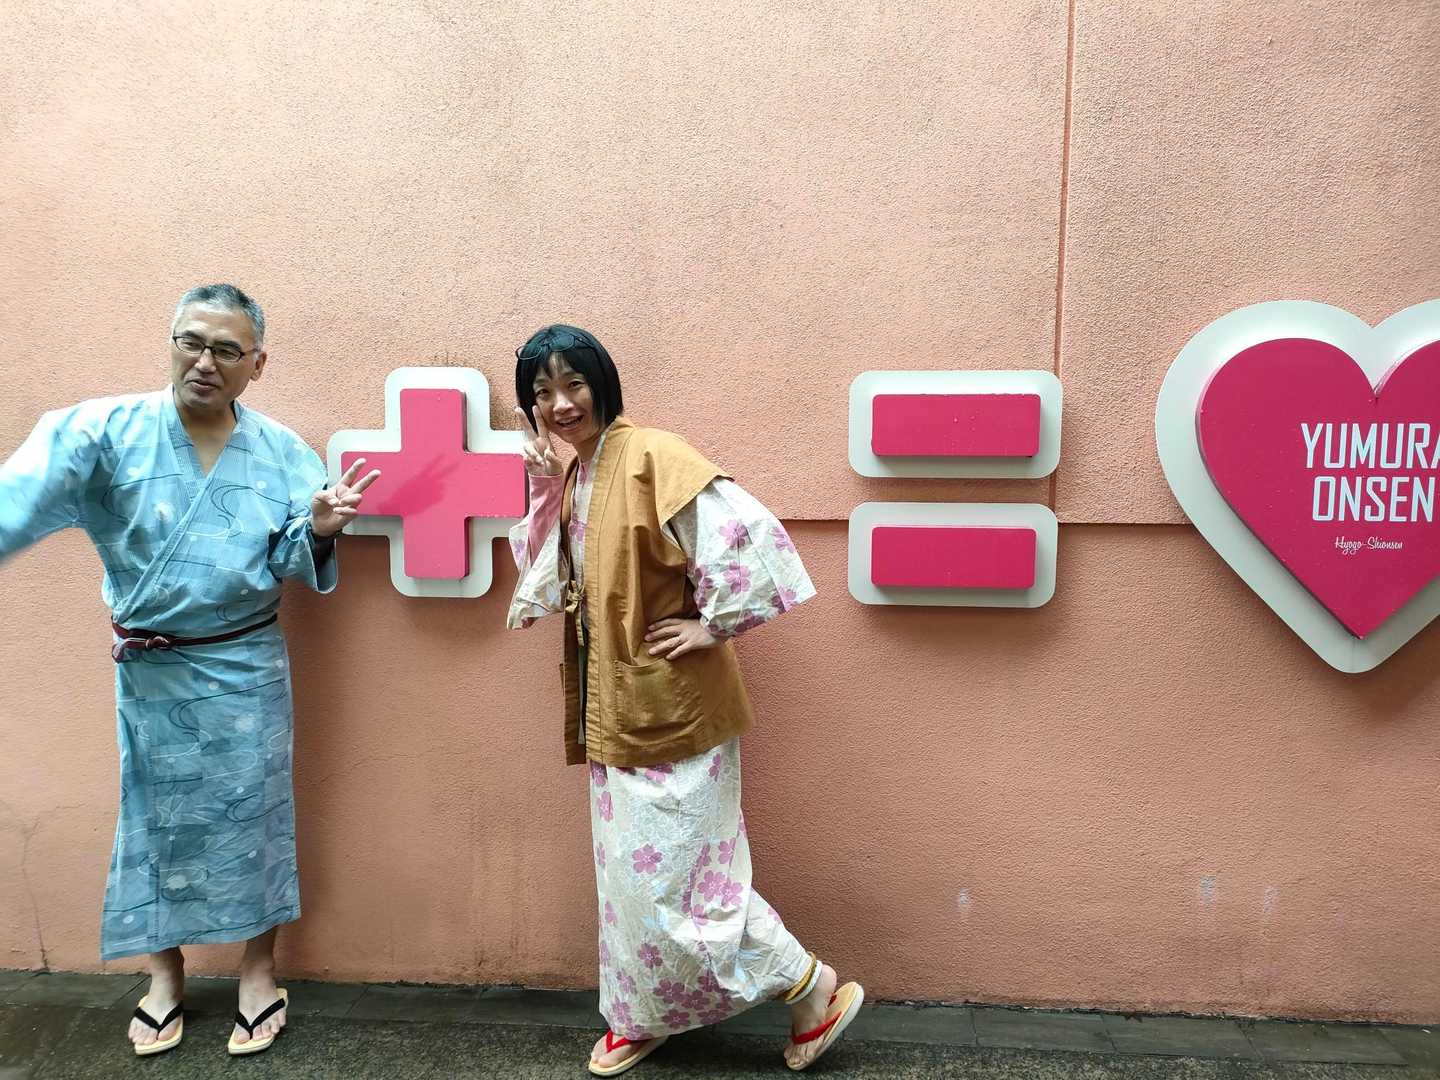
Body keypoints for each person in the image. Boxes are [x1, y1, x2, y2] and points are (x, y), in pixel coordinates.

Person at [0, 284, 378, 1057]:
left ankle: (258, 971)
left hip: (245, 666)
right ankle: (163, 973)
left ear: (256, 365)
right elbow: (20, 495)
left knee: (257, 814)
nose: (205, 361)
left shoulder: (284, 453)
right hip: (152, 672)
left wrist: (317, 528)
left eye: (227, 350)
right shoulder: (101, 432)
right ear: (172, 341)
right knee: (152, 819)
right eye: (191, 342)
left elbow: (289, 557)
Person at [507, 325, 864, 1075]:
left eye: (573, 384)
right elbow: (547, 579)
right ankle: (641, 1013)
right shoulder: (575, 475)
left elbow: (749, 539)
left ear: (603, 383)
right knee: (632, 883)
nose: (560, 404)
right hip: (614, 707)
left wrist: (712, 625)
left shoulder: (654, 456)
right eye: (542, 392)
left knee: (684, 886)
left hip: (671, 710)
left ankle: (810, 987)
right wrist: (542, 486)